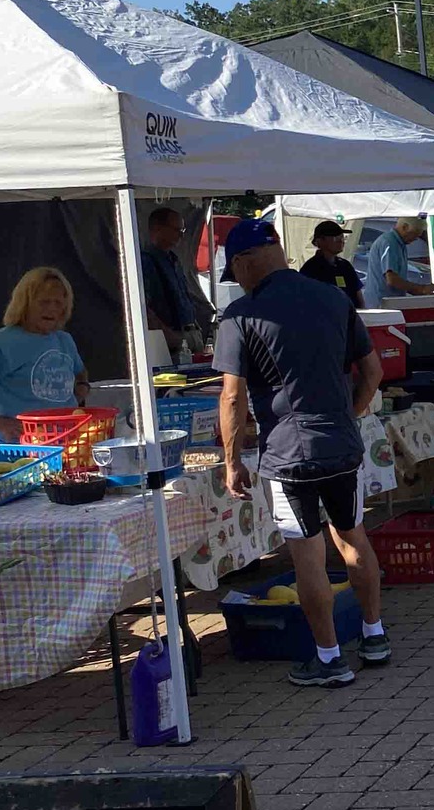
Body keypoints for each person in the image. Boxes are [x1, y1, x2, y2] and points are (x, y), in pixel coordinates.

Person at [213, 219, 387, 690]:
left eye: (237, 273)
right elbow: (372, 371)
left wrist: (231, 462)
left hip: (289, 454)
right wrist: (348, 415)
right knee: (354, 540)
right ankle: (374, 635)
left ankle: (329, 659)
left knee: (308, 558)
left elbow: (231, 398)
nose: (239, 282)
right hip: (341, 445)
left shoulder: (240, 316)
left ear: (245, 263)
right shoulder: (335, 298)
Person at [0, 267, 91, 442]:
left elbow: (80, 370)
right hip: (22, 450)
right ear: (25, 303)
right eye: (44, 302)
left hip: (70, 444)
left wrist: (82, 386)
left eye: (58, 303)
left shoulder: (64, 339)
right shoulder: (3, 342)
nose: (51, 309)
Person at [140, 206, 207, 352]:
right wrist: (168, 336)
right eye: (177, 230)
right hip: (171, 339)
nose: (181, 235)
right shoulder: (146, 261)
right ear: (158, 229)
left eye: (182, 231)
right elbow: (143, 308)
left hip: (190, 333)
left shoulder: (173, 260)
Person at [367, 218, 434, 300]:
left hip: (389, 301)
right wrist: (421, 288)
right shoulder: (390, 243)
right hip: (383, 303)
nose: (416, 239)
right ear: (405, 227)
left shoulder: (398, 244)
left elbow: (397, 281)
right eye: (415, 234)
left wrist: (419, 291)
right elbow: (392, 280)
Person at [300, 221, 365, 308]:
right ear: (320, 241)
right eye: (336, 237)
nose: (341, 241)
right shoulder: (310, 269)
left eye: (342, 237)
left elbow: (358, 294)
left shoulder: (345, 266)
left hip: (349, 316)